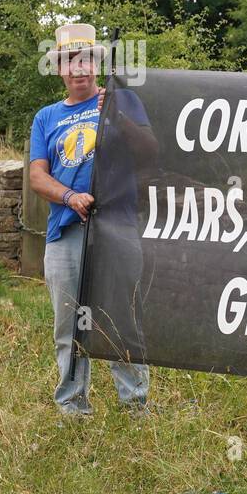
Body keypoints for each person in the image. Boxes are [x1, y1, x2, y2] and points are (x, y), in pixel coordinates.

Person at [29, 23, 153, 416]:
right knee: (68, 324)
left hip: (115, 227)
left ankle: (135, 405)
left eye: (84, 60)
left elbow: (149, 151)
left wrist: (117, 115)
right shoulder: (46, 117)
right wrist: (69, 196)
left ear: (96, 65)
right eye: (69, 62)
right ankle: (72, 406)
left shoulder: (123, 100)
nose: (77, 68)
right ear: (60, 70)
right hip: (65, 232)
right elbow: (37, 175)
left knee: (122, 318)